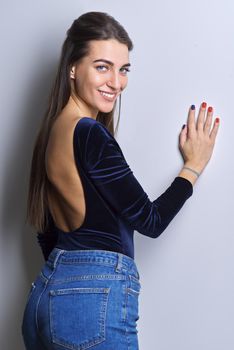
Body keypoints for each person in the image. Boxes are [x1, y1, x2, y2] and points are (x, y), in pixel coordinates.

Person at [21, 11, 219, 350]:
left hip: (46, 296)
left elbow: (47, 233)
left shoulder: (53, 132)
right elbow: (150, 221)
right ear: (72, 67)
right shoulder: (88, 133)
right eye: (102, 67)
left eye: (123, 69)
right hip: (90, 300)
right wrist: (193, 167)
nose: (116, 82)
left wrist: (68, 290)